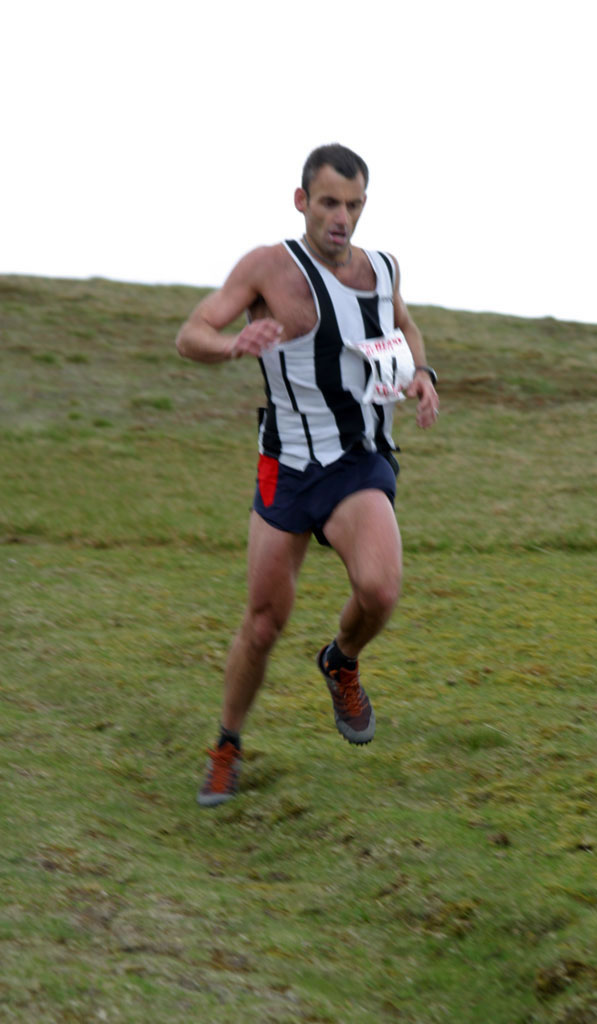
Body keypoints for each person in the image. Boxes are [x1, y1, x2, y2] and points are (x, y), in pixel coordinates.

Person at [175, 143, 439, 807]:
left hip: (357, 461)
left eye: (353, 205)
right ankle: (227, 745)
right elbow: (191, 334)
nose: (341, 217)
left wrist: (423, 374)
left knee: (380, 590)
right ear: (302, 201)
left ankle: (340, 659)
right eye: (328, 203)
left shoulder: (383, 269)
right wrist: (231, 345)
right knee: (264, 624)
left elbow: (405, 325)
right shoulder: (269, 267)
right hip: (287, 466)